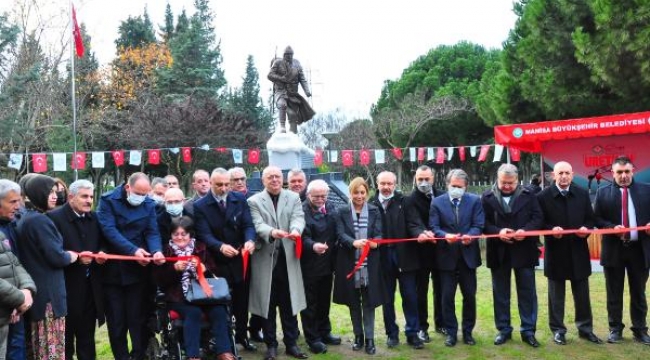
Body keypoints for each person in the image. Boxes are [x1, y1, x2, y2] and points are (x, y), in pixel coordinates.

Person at [97, 172, 165, 360]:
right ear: (128, 188)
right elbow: (109, 231)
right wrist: (133, 251)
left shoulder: (149, 204)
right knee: (117, 322)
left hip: (138, 272)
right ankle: (121, 356)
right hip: (113, 271)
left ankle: (139, 354)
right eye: (138, 193)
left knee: (138, 319)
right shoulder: (108, 201)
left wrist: (156, 251)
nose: (141, 198)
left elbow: (152, 231)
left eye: (146, 194)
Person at [537, 161, 603, 345]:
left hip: (578, 250)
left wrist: (586, 229)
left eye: (567, 173)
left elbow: (591, 219)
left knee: (582, 295)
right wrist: (551, 229)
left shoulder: (582, 194)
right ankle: (558, 330)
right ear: (554, 176)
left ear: (572, 174)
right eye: (560, 173)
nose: (564, 176)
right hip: (555, 252)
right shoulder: (543, 196)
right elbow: (539, 222)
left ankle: (585, 329)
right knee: (556, 296)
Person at [153, 216, 237, 360]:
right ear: (171, 235)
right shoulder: (165, 252)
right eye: (175, 234)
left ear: (190, 234)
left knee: (219, 310)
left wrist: (205, 270)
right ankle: (193, 355)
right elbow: (159, 281)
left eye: (183, 234)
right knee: (193, 312)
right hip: (178, 297)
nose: (179, 238)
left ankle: (224, 351)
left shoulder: (201, 248)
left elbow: (215, 274)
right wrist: (174, 269)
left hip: (203, 295)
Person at [16, 174, 79, 360]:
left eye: (55, 192)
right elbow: (56, 257)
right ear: (36, 193)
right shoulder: (39, 221)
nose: (54, 196)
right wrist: (71, 256)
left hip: (38, 292)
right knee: (50, 349)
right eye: (49, 192)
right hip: (48, 297)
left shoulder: (28, 217)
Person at [247, 166, 307, 360]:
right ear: (263, 181)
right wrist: (272, 232)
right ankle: (271, 345)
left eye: (277, 177)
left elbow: (298, 218)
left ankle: (291, 344)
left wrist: (296, 230)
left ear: (283, 179)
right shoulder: (254, 201)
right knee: (268, 306)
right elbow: (257, 225)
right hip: (265, 261)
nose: (274, 180)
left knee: (289, 305)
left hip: (288, 261)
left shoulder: (294, 197)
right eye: (270, 177)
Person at [194, 168, 257, 352]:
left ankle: (242, 336)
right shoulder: (200, 206)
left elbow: (248, 224)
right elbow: (203, 233)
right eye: (219, 185)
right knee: (220, 302)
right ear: (211, 184)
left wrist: (250, 240)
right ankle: (221, 340)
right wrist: (220, 246)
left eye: (226, 185)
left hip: (239, 258)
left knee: (242, 300)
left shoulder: (239, 199)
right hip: (216, 262)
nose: (223, 188)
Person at [482, 164, 543, 347]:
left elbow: (538, 217)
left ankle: (528, 331)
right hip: (498, 252)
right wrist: (498, 231)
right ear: (497, 179)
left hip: (524, 249)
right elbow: (482, 222)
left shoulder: (529, 195)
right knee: (500, 293)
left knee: (527, 293)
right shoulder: (486, 197)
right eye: (503, 182)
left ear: (517, 180)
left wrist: (526, 230)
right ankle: (504, 330)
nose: (507, 186)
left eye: (511, 182)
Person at [47, 179, 108, 359]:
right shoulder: (53, 219)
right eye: (84, 196)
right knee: (65, 340)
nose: (89, 200)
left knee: (87, 339)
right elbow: (53, 252)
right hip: (65, 289)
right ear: (71, 197)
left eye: (91, 196)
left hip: (90, 290)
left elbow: (104, 243)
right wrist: (77, 259)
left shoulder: (95, 218)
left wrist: (102, 254)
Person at [594, 156, 650, 345]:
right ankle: (615, 329)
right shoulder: (602, 193)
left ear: (633, 171)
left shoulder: (646, 190)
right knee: (614, 293)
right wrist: (611, 227)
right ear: (612, 173)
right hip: (614, 249)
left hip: (639, 250)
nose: (624, 176)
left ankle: (640, 330)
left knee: (639, 292)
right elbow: (597, 220)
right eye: (619, 172)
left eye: (627, 171)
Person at [429, 169, 484, 347]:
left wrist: (471, 235)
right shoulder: (437, 203)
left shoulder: (475, 201)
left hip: (468, 257)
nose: (456, 189)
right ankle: (451, 333)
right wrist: (444, 235)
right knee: (447, 297)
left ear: (465, 186)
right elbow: (434, 226)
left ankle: (468, 332)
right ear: (447, 184)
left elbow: (479, 224)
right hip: (446, 257)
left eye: (460, 187)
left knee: (469, 296)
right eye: (453, 186)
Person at [370, 171, 423, 350]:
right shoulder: (371, 203)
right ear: (377, 184)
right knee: (387, 299)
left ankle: (413, 333)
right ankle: (391, 334)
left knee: (410, 296)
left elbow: (414, 223)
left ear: (395, 184)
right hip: (382, 258)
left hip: (405, 257)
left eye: (389, 184)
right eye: (382, 183)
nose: (386, 187)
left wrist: (420, 234)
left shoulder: (405, 201)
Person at [333, 177, 385, 355]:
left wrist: (375, 243)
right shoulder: (340, 211)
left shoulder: (375, 210)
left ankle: (370, 339)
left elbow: (379, 234)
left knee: (369, 303)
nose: (359, 196)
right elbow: (339, 234)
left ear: (367, 192)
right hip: (349, 263)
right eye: (356, 192)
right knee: (353, 303)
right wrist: (353, 242)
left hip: (369, 265)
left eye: (362, 192)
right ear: (350, 193)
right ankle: (358, 337)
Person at [299, 180, 341, 354]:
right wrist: (313, 245)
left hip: (327, 264)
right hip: (309, 264)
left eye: (323, 196)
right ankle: (312, 338)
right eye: (316, 196)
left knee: (324, 301)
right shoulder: (301, 210)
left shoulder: (331, 207)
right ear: (308, 195)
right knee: (310, 304)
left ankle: (325, 332)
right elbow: (301, 236)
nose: (320, 199)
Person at [405, 165, 445, 343]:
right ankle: (422, 327)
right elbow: (413, 222)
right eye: (419, 179)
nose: (423, 182)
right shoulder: (410, 199)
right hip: (420, 253)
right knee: (421, 291)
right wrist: (422, 232)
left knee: (441, 289)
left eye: (426, 179)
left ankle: (441, 323)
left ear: (433, 178)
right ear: (415, 179)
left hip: (442, 252)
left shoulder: (443, 195)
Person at [227, 167, 265, 341]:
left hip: (255, 254)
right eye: (235, 180)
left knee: (257, 293)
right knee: (237, 297)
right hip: (232, 255)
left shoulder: (254, 199)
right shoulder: (227, 200)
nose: (240, 182)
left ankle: (254, 328)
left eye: (242, 178)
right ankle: (235, 332)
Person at [0, 179, 36, 359]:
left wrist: (26, 290)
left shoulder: (13, 223)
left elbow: (15, 263)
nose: (18, 206)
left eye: (19, 200)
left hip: (17, 305)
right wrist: (16, 299)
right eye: (12, 202)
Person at [268, 46, 315, 133]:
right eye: (287, 54)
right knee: (282, 104)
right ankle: (282, 126)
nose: (289, 56)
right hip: (281, 91)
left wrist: (307, 91)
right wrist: (281, 78)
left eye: (291, 54)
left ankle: (293, 133)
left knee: (293, 115)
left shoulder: (297, 63)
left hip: (293, 93)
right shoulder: (278, 62)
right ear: (284, 55)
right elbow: (270, 75)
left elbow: (302, 79)